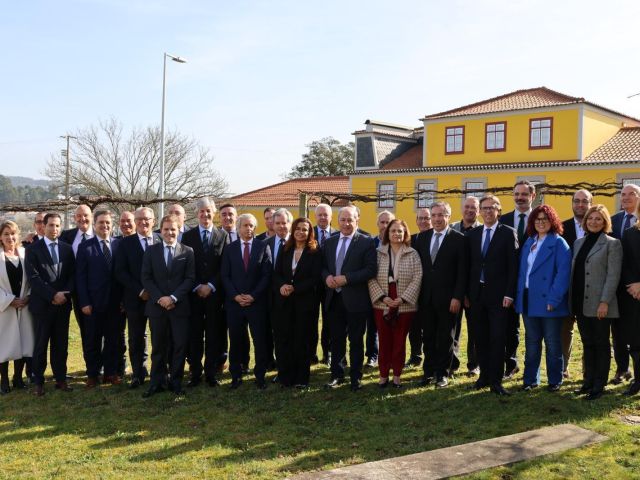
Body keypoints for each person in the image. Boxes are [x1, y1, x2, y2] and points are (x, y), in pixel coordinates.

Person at [514, 205, 571, 392]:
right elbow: (523, 272)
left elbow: (563, 275)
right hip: (528, 299)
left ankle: (555, 380)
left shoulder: (559, 243)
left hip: (549, 301)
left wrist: (553, 300)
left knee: (552, 343)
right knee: (531, 342)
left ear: (552, 221)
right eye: (537, 219)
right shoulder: (530, 241)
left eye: (544, 219)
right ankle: (530, 379)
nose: (540, 222)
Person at [466, 195, 518, 396]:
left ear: (499, 211)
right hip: (476, 295)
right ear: (480, 211)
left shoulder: (508, 233)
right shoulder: (473, 234)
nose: (488, 211)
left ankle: (496, 381)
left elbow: (513, 267)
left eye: (492, 208)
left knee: (497, 338)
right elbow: (468, 266)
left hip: (499, 297)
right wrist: (466, 293)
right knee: (480, 338)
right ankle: (484, 377)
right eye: (485, 208)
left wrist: (510, 294)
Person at [322, 205, 377, 391]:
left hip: (356, 301)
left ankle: (355, 377)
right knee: (336, 340)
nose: (346, 223)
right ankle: (336, 375)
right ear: (337, 221)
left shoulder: (366, 242)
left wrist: (347, 278)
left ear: (357, 220)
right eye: (343, 220)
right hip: (334, 299)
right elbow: (323, 266)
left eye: (350, 220)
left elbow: (370, 269)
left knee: (356, 341)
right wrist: (326, 277)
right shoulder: (330, 241)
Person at [141, 215, 195, 398]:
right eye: (166, 229)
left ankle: (176, 382)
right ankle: (156, 382)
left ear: (178, 230)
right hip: (157, 308)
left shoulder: (187, 251)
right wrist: (160, 298)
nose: (169, 232)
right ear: (160, 230)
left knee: (179, 346)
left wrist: (173, 298)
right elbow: (146, 278)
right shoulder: (151, 251)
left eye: (173, 229)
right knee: (158, 347)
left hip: (179, 308)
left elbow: (190, 279)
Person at [571, 205, 621, 400]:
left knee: (601, 344)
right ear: (585, 221)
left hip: (600, 304)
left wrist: (604, 302)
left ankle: (599, 385)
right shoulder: (578, 242)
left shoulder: (612, 244)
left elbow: (613, 276)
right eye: (591, 218)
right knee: (587, 342)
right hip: (580, 302)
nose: (593, 222)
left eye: (598, 219)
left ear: (605, 222)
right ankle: (588, 381)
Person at [415, 202, 466, 388]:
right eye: (434, 215)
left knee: (445, 338)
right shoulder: (422, 238)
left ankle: (442, 373)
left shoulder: (459, 239)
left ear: (448, 217)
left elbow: (462, 272)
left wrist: (457, 297)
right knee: (428, 337)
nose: (437, 219)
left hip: (449, 299)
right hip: (426, 298)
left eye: (441, 215)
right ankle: (428, 372)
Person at [25, 212, 75, 396]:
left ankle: (60, 379)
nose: (54, 228)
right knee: (41, 345)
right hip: (43, 306)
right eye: (51, 225)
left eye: (57, 225)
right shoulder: (33, 249)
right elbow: (34, 278)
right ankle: (38, 382)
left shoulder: (67, 249)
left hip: (63, 305)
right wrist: (53, 295)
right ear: (43, 227)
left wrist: (64, 294)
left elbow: (72, 275)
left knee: (61, 345)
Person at [368, 219, 422, 388]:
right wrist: (382, 297)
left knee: (399, 341)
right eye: (393, 231)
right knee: (384, 340)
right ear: (387, 233)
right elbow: (371, 277)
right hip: (382, 302)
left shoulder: (412, 253)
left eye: (400, 231)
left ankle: (397, 375)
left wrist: (403, 298)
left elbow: (418, 277)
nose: (396, 234)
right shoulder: (378, 253)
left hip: (404, 304)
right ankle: (383, 375)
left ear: (405, 233)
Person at [221, 213, 272, 389]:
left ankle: (260, 376)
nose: (249, 229)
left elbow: (266, 276)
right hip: (234, 304)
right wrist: (235, 296)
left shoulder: (262, 246)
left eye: (251, 226)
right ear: (238, 227)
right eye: (245, 225)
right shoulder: (230, 249)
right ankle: (236, 375)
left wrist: (253, 296)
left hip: (256, 303)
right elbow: (225, 276)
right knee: (236, 341)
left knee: (259, 340)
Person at [181, 198, 228, 387]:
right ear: (197, 214)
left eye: (208, 211)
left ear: (214, 213)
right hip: (194, 295)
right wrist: (197, 286)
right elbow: (185, 266)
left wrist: (211, 285)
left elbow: (224, 266)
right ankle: (195, 373)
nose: (205, 214)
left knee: (213, 335)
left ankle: (210, 373)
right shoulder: (188, 236)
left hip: (214, 295)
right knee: (195, 335)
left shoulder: (222, 235)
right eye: (202, 211)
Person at [76, 210, 124, 387]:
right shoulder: (85, 247)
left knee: (113, 340)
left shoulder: (119, 245)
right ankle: (92, 374)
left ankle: (110, 373)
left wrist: (123, 300)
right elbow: (80, 277)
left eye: (108, 223)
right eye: (101, 222)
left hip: (115, 303)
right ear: (94, 225)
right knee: (92, 341)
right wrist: (84, 302)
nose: (105, 226)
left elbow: (123, 274)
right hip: (93, 303)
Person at [272, 217, 322, 388]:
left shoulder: (315, 252)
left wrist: (295, 288)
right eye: (298, 229)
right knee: (284, 339)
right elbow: (276, 273)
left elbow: (315, 278)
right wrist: (282, 285)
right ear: (293, 230)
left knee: (302, 340)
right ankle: (285, 376)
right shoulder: (285, 249)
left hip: (304, 303)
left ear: (310, 233)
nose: (301, 232)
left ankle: (301, 378)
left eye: (305, 229)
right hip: (284, 302)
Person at [114, 207, 159, 389]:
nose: (142, 222)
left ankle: (159, 372)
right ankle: (137, 373)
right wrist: (140, 291)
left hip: (158, 299)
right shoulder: (125, 243)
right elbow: (120, 272)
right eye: (138, 219)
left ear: (153, 221)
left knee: (159, 336)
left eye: (146, 219)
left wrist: (156, 291)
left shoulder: (161, 239)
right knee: (136, 337)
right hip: (135, 298)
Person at [499, 180, 537, 379]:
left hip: (534, 282)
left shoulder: (540, 219)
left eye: (524, 194)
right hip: (508, 281)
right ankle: (510, 364)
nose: (520, 198)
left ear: (533, 196)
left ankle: (534, 369)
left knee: (534, 329)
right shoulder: (503, 220)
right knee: (509, 327)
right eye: (516, 194)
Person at [560, 189, 592, 379]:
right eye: (577, 201)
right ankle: (562, 368)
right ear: (572, 203)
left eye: (585, 201)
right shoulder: (561, 228)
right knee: (564, 331)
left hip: (590, 291)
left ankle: (589, 370)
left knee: (589, 333)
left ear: (590, 203)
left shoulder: (599, 226)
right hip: (566, 290)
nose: (580, 205)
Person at [610, 183, 640, 384]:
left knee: (636, 332)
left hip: (636, 287)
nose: (626, 197)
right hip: (616, 286)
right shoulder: (613, 220)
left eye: (632, 194)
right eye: (623, 194)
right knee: (618, 330)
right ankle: (622, 369)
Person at [0, 221, 34, 393]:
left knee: (23, 342)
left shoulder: (25, 254)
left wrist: (28, 297)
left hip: (24, 306)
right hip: (4, 308)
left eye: (13, 233)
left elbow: (33, 278)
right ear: (0, 237)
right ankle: (4, 381)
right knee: (5, 345)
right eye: (6, 234)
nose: (10, 237)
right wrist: (9, 300)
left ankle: (18, 378)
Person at [450, 196, 482, 376]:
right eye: (467, 207)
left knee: (475, 329)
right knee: (452, 329)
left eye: (474, 208)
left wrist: (468, 292)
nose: (470, 210)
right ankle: (452, 364)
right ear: (462, 208)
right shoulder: (451, 229)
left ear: (478, 211)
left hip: (474, 290)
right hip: (453, 289)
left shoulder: (482, 231)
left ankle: (474, 364)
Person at [218, 203, 249, 371]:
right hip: (219, 290)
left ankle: (243, 361)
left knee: (241, 330)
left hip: (242, 293)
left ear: (236, 217)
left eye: (230, 214)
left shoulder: (246, 235)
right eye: (224, 214)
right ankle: (221, 360)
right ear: (219, 217)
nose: (227, 217)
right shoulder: (215, 236)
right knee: (220, 328)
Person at [264, 208, 293, 374]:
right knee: (273, 334)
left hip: (292, 296)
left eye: (284, 223)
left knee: (289, 335)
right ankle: (274, 365)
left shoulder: (297, 243)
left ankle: (288, 367)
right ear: (272, 225)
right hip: (270, 297)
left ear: (290, 224)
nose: (281, 226)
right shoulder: (264, 244)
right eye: (278, 223)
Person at [406, 207, 432, 367]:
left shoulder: (437, 238)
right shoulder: (411, 240)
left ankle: (430, 358)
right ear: (416, 221)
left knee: (430, 327)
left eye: (426, 218)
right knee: (414, 326)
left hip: (432, 290)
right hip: (414, 290)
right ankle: (415, 355)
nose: (423, 221)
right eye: (420, 218)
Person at [620, 198, 640, 396]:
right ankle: (638, 381)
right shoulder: (630, 233)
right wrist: (634, 285)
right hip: (634, 296)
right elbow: (625, 264)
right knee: (636, 341)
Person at [313, 203, 337, 365]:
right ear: (315, 216)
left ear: (331, 217)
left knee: (329, 321)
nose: (322, 217)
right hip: (312, 286)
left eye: (325, 215)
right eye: (320, 215)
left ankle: (327, 354)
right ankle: (311, 353)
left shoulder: (338, 234)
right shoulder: (308, 233)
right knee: (311, 320)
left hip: (331, 285)